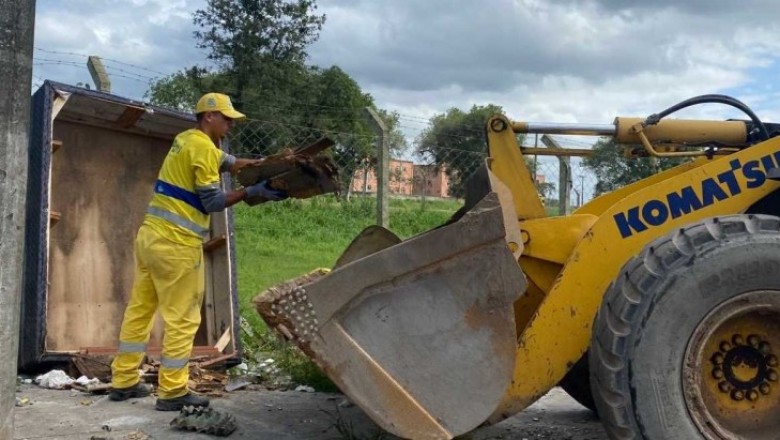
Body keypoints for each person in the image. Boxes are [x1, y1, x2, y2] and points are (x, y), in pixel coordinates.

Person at [108, 92, 285, 411]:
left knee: (140, 310)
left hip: (149, 238)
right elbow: (213, 202)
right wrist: (250, 192)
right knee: (183, 318)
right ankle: (172, 390)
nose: (231, 123)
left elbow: (225, 161)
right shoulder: (204, 148)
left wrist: (255, 164)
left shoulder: (186, 139)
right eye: (226, 118)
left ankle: (123, 381)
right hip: (177, 245)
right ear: (209, 116)